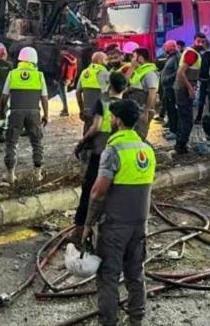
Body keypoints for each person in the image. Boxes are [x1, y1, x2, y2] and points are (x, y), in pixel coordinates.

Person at [82, 99, 155, 326]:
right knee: (135, 274)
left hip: (115, 225)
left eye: (113, 117)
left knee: (108, 277)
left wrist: (87, 225)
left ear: (118, 121)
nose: (111, 120)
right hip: (139, 223)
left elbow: (98, 191)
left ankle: (109, 322)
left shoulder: (114, 149)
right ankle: (136, 320)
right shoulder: (147, 149)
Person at [72, 72, 127, 234]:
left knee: (89, 188)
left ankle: (80, 228)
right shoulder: (127, 106)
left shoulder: (102, 103)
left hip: (100, 152)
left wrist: (82, 143)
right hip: (119, 155)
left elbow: (96, 127)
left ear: (110, 86)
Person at [1, 46, 48, 184]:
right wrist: (46, 114)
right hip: (34, 112)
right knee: (36, 142)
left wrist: (2, 110)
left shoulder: (13, 74)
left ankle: (10, 175)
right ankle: (37, 173)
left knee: (11, 142)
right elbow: (44, 97)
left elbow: (4, 96)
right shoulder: (39, 75)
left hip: (16, 112)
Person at [174, 38, 202, 154]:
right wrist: (190, 88)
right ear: (194, 40)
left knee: (183, 117)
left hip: (181, 88)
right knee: (187, 119)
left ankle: (179, 144)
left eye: (203, 41)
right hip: (183, 89)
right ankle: (181, 146)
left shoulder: (190, 52)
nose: (201, 44)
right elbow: (181, 72)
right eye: (199, 41)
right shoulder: (192, 54)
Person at [125, 48, 159, 141]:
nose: (131, 59)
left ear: (140, 58)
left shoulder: (150, 73)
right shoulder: (139, 71)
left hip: (142, 110)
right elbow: (124, 82)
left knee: (139, 137)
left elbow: (152, 93)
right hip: (136, 109)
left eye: (134, 56)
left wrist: (146, 112)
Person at [76, 51, 110, 133]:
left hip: (88, 112)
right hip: (102, 113)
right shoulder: (104, 73)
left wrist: (81, 109)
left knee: (87, 136)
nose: (107, 62)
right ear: (99, 61)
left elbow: (78, 92)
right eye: (106, 59)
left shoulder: (84, 72)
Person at [158, 41, 179, 137]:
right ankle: (171, 128)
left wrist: (167, 78)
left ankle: (174, 131)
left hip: (171, 87)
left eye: (165, 47)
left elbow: (178, 71)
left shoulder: (176, 57)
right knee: (169, 109)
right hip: (167, 87)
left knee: (172, 110)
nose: (163, 48)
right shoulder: (170, 57)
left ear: (172, 47)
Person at [194, 33, 210, 123]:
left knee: (202, 100)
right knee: (209, 100)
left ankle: (199, 117)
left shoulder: (206, 55)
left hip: (205, 80)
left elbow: (204, 68)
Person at [57, 49, 78, 117]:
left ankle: (65, 110)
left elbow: (62, 69)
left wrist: (59, 78)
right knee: (61, 92)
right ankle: (64, 108)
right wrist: (73, 80)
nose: (60, 53)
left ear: (65, 51)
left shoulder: (64, 59)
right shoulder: (74, 59)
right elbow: (75, 70)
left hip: (63, 78)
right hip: (69, 79)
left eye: (61, 51)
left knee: (63, 94)